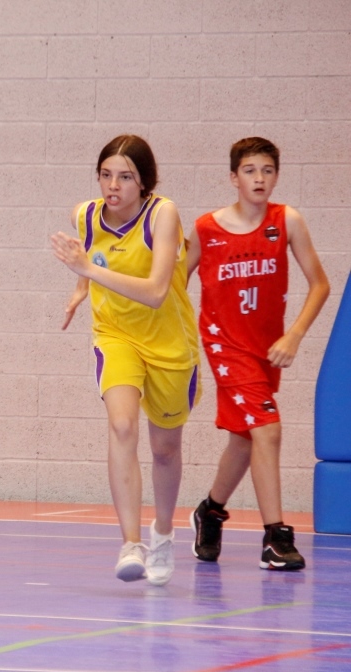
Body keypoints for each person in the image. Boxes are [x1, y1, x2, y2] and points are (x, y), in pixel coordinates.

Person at [51, 134, 200, 586]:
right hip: (116, 335)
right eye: (106, 175)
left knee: (164, 449)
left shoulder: (163, 214)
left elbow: (156, 292)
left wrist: (87, 273)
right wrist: (81, 290)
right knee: (121, 425)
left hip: (170, 343)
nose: (113, 185)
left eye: (125, 176)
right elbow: (92, 257)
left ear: (144, 181)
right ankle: (131, 541)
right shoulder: (87, 215)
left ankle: (163, 533)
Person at [187, 137, 329, 571]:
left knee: (245, 439)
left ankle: (210, 511)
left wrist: (294, 336)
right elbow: (170, 282)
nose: (259, 178)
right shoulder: (206, 229)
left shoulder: (286, 221)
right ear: (234, 177)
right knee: (267, 430)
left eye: (267, 170)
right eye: (250, 170)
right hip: (224, 344)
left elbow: (320, 284)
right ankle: (276, 539)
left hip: (266, 347)